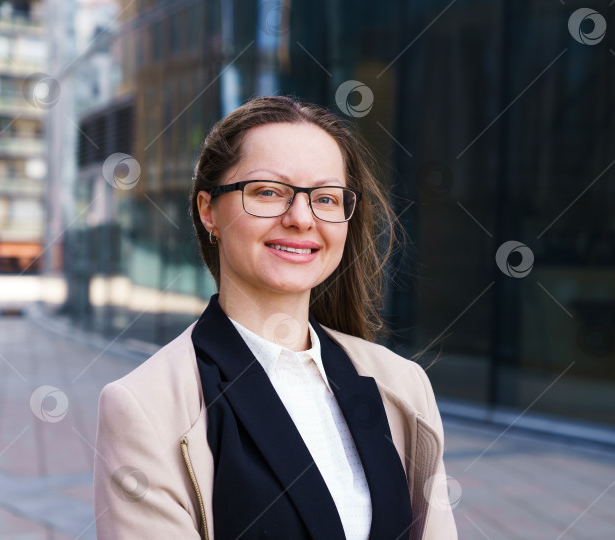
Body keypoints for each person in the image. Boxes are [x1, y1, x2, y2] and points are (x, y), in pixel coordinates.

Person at [93, 96, 458, 539]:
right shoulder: (146, 407)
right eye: (268, 192)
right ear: (209, 210)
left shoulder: (403, 385)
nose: (302, 218)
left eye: (325, 198)